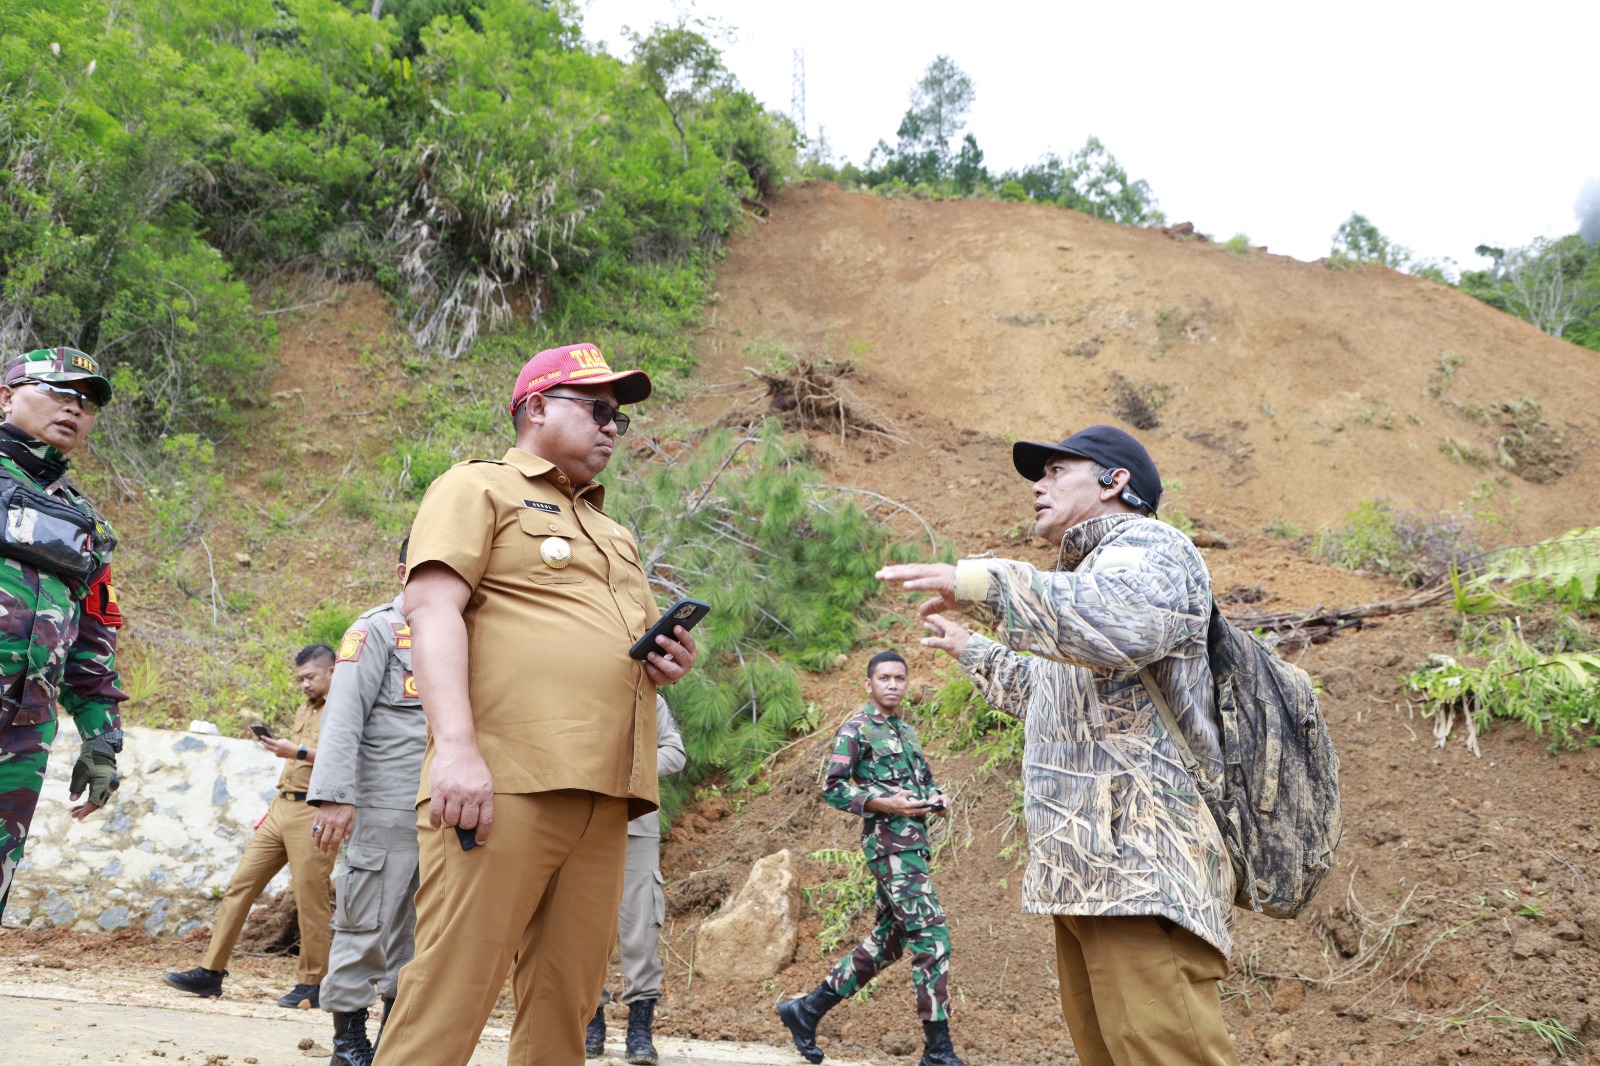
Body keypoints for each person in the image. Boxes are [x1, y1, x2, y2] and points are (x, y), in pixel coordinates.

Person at [373, 342, 698, 1066]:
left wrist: (669, 662)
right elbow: (431, 611)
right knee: (450, 994)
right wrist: (455, 748)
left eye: (620, 416)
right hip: (504, 782)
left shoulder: (616, 534)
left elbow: (621, 649)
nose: (612, 427)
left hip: (606, 795)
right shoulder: (476, 488)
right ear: (537, 408)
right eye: (598, 408)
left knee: (566, 1007)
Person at [878, 425, 1239, 1066]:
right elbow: (1053, 696)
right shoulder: (1084, 580)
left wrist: (986, 584)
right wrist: (974, 650)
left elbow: (1114, 622)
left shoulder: (1152, 550)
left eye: (1054, 471)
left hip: (1140, 867)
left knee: (1166, 1053)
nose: (1037, 486)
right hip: (1090, 872)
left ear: (1114, 480)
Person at [777, 650, 964, 1066]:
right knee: (932, 938)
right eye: (885, 678)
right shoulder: (856, 729)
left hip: (913, 846)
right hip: (888, 845)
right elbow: (833, 788)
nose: (893, 684)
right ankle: (939, 1050)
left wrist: (937, 798)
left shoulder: (908, 732)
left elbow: (925, 780)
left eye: (900, 678)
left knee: (890, 941)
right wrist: (884, 804)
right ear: (869, 684)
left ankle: (806, 1011)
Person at [0, 347, 125, 919]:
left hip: (22, 738)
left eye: (87, 402)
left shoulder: (86, 527)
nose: (74, 409)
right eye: (58, 392)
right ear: (6, 396)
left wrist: (102, 740)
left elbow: (92, 644)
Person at [163, 644, 339, 1008]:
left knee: (311, 899)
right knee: (239, 886)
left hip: (315, 810)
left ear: (333, 671)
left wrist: (298, 752)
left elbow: (350, 757)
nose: (304, 684)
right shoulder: (306, 707)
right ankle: (210, 973)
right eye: (300, 678)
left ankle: (313, 984)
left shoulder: (345, 708)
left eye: (310, 677)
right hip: (281, 807)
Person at [307, 538, 426, 1066]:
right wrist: (335, 796)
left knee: (423, 937)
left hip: (443, 814)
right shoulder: (376, 629)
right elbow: (343, 715)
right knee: (364, 924)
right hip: (381, 810)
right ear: (403, 571)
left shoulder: (470, 633)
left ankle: (394, 1044)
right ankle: (349, 1043)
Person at [585, 693, 686, 1065]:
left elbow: (675, 752)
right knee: (585, 928)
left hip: (635, 825)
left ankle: (640, 1028)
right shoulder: (574, 692)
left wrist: (628, 765)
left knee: (642, 928)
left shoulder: (649, 701)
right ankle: (590, 1018)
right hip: (582, 825)